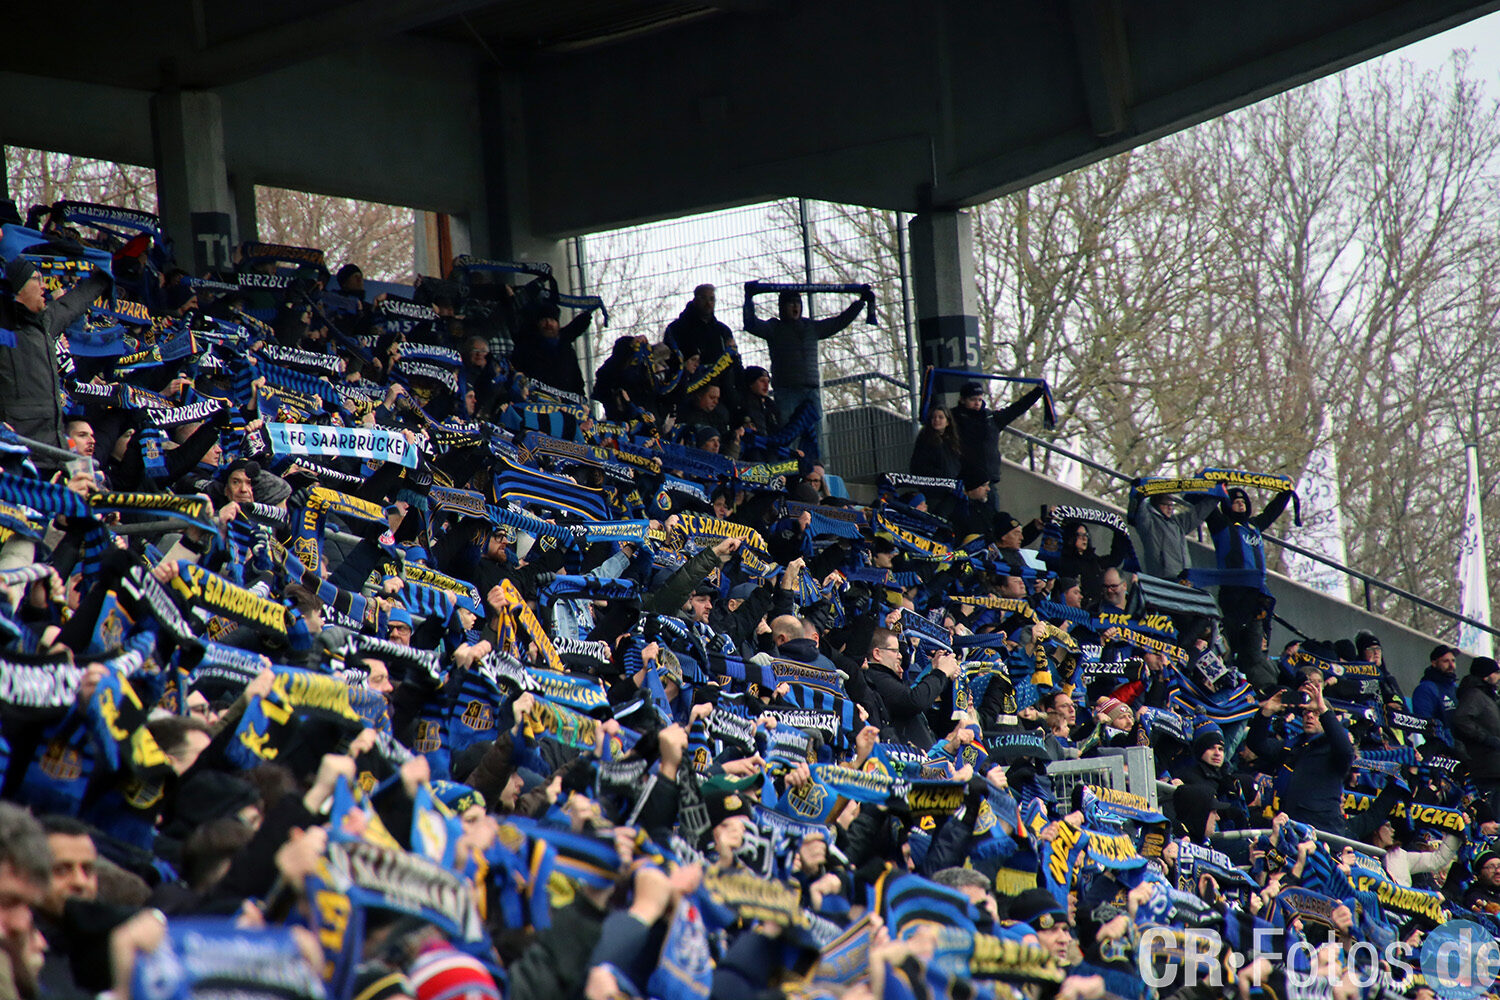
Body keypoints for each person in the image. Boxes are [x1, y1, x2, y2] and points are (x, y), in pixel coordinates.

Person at [3, 258, 112, 452]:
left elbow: (70, 306)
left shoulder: (43, 322)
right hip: (17, 453)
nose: (44, 286)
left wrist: (103, 277)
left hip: (53, 451)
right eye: (36, 279)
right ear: (17, 287)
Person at [1202, 486, 1293, 690]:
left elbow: (1272, 512)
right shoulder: (1221, 525)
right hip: (1232, 596)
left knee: (1254, 652)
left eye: (1243, 500)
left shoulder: (1254, 526)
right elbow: (1208, 507)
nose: (1240, 503)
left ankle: (1262, 689)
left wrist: (1286, 492)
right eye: (1235, 501)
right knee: (1232, 646)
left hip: (1257, 599)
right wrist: (1209, 483)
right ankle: (1231, 686)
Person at [743, 287, 869, 426]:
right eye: (791, 303)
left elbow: (839, 322)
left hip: (811, 391)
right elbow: (751, 324)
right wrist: (748, 299)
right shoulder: (775, 328)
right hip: (787, 392)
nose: (796, 306)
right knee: (789, 437)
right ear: (782, 307)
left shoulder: (810, 327)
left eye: (798, 302)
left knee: (815, 437)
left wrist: (860, 302)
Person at [1245, 679, 1354, 834]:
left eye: (1315, 713)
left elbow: (1346, 750)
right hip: (1289, 827)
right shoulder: (1293, 745)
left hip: (1321, 831)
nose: (1309, 716)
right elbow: (1257, 745)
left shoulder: (1334, 750)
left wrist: (1323, 709)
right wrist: (1266, 712)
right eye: (1306, 712)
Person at [948, 381, 1047, 506]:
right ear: (962, 400)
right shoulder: (952, 418)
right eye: (973, 399)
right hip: (962, 480)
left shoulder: (990, 418)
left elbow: (1016, 409)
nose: (977, 403)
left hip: (987, 482)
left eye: (979, 399)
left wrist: (1038, 392)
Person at [1127, 487, 1219, 581]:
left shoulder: (1177, 522)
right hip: (1162, 578)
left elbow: (1197, 514)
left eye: (1172, 505)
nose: (1170, 508)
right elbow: (1139, 510)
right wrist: (1140, 493)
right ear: (1156, 505)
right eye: (1166, 505)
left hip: (1184, 578)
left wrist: (1216, 496)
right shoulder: (1149, 522)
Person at [510, 301, 595, 397]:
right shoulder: (526, 348)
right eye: (544, 320)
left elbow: (576, 381)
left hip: (565, 404)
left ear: (558, 324)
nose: (548, 323)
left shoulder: (567, 350)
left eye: (552, 319)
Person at [1455, 656, 1500, 806]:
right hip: (1485, 766)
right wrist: (1486, 739)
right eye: (1496, 672)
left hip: (1493, 765)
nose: (1498, 676)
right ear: (1486, 675)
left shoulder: (1488, 696)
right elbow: (1461, 720)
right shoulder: (1475, 695)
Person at [1413, 644, 1460, 747]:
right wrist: (1448, 745)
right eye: (1446, 661)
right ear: (1434, 663)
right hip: (1445, 752)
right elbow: (1425, 724)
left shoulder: (1455, 688)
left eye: (1453, 661)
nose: (1451, 665)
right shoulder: (1426, 689)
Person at [909, 406, 962, 481]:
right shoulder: (925, 440)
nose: (936, 420)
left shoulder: (951, 441)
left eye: (940, 417)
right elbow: (918, 466)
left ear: (947, 422)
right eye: (933, 417)